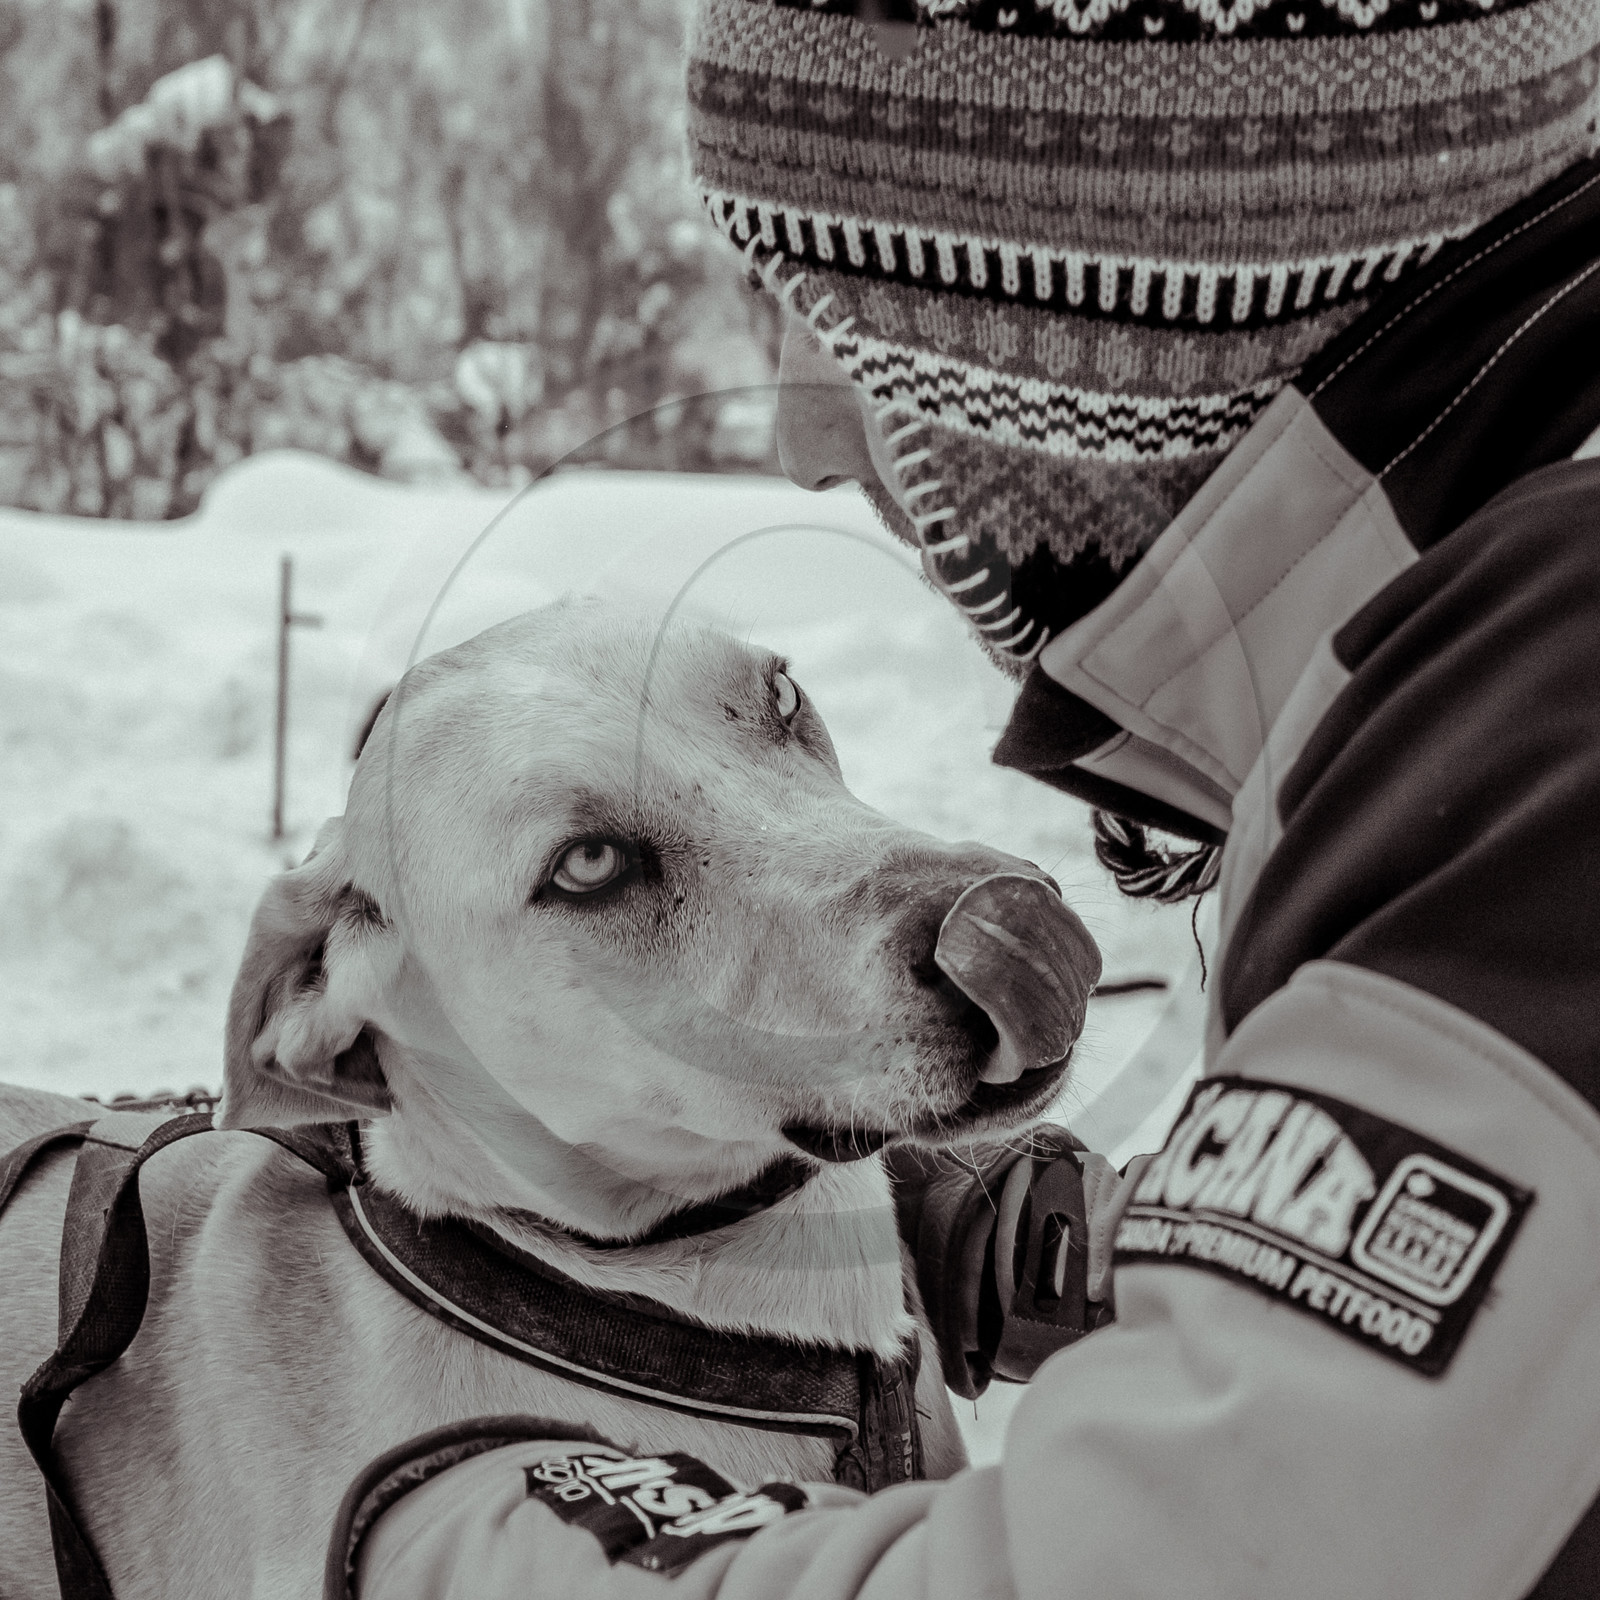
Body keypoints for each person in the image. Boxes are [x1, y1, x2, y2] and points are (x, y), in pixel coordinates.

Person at [328, 1, 1600, 1594]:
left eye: (835, 322)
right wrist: (1079, 1241)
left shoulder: (1549, 718)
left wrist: (479, 1553)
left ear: (1107, 312)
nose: (801, 433)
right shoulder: (1482, 649)